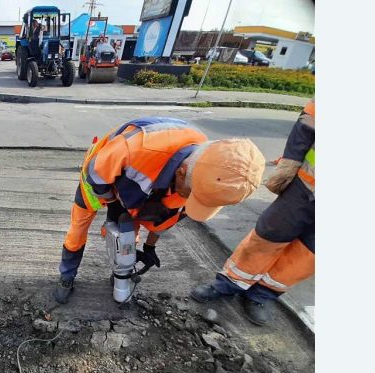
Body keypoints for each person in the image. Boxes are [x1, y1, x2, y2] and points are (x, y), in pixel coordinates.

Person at [54, 117, 266, 303]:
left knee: (128, 234)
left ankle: (120, 272)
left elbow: (167, 218)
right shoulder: (135, 150)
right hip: (100, 177)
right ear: (181, 173)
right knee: (79, 225)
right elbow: (96, 175)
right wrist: (112, 203)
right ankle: (67, 275)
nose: (189, 200)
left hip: (139, 185)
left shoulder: (210, 168)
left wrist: (149, 247)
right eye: (191, 195)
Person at [190, 99, 315, 325]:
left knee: (307, 257)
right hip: (305, 187)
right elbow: (306, 127)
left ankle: (262, 295)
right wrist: (289, 168)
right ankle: (228, 284)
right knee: (269, 236)